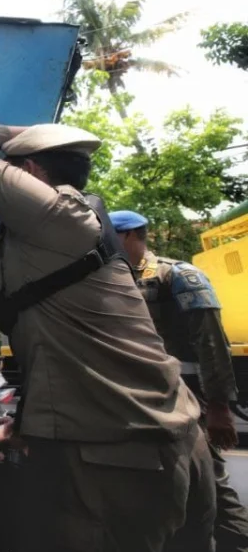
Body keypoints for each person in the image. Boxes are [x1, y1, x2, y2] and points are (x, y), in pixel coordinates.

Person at [0, 122, 214, 552]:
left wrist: (25, 129)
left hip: (120, 459)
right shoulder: (85, 220)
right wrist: (29, 423)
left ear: (28, 170)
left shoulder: (51, 214)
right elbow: (59, 345)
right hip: (174, 439)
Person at [112, 209, 248, 552]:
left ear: (128, 235)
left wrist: (219, 407)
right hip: (142, 399)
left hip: (188, 396)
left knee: (208, 479)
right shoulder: (116, 277)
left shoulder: (180, 276)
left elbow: (212, 344)